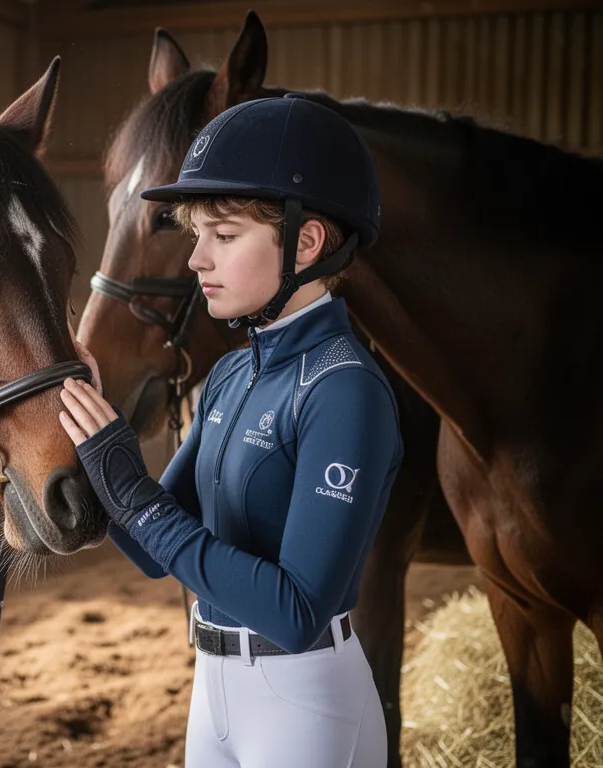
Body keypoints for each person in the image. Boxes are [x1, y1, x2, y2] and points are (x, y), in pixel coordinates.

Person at [59, 94, 400, 767]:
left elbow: (298, 611)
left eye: (224, 235)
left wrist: (131, 491)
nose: (196, 261)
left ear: (306, 243)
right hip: (213, 690)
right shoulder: (231, 376)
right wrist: (82, 433)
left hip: (303, 703)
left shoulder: (346, 391)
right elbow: (156, 548)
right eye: (196, 236)